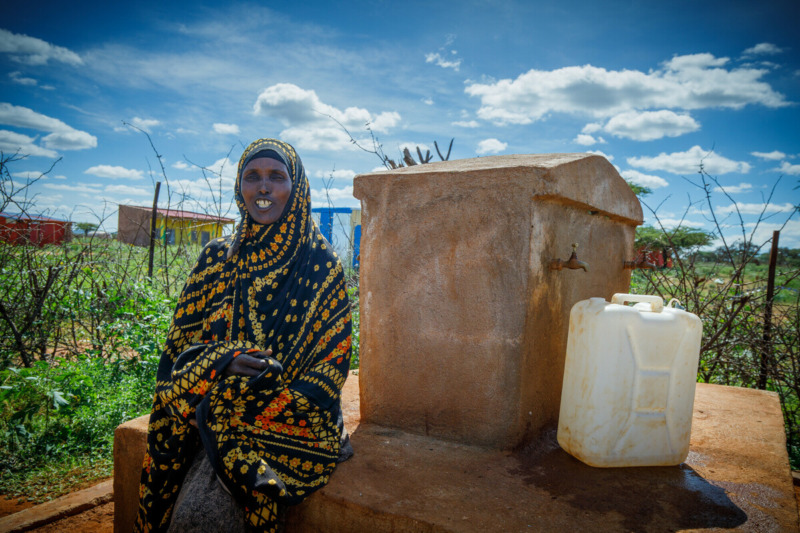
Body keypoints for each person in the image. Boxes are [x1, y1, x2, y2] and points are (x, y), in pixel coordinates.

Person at [134, 138, 353, 533]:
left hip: (290, 416)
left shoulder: (321, 263)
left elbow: (332, 363)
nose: (263, 187)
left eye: (276, 177)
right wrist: (222, 362)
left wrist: (270, 407)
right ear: (240, 187)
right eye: (252, 177)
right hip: (210, 402)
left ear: (296, 186)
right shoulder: (218, 257)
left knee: (205, 518)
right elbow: (178, 350)